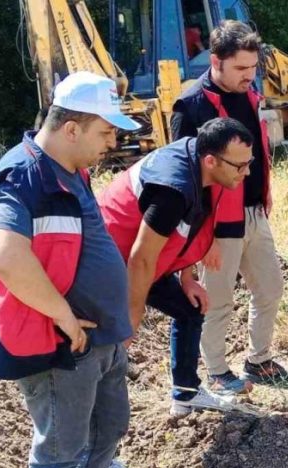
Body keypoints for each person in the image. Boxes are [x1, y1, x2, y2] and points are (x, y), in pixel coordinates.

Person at [0, 71, 143, 468]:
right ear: (71, 128)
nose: (113, 141)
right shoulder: (24, 176)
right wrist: (64, 315)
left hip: (101, 339)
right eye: (105, 132)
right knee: (59, 447)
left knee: (108, 426)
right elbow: (4, 253)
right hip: (59, 344)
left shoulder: (72, 170)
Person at [170, 20, 288, 397]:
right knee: (217, 300)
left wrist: (265, 192)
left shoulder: (251, 95)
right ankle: (216, 370)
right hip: (215, 223)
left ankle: (258, 360)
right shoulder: (191, 105)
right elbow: (183, 176)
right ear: (216, 61)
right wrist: (200, 235)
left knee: (270, 288)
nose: (250, 76)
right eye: (241, 68)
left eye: (253, 68)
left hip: (254, 213)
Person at [98, 117, 255, 416]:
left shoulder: (203, 163)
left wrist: (187, 277)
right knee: (110, 346)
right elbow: (140, 258)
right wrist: (132, 315)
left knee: (190, 308)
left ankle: (186, 394)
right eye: (240, 166)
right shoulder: (172, 190)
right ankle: (94, 452)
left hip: (147, 256)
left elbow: (191, 226)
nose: (246, 173)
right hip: (112, 261)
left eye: (250, 163)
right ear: (211, 160)